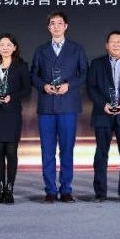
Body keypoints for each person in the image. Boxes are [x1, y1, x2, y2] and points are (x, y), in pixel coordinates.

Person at [31, 11, 88, 203]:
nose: (56, 26)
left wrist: (69, 85)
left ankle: (66, 190)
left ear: (66, 26)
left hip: (68, 106)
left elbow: (84, 74)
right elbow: (33, 75)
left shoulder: (77, 49)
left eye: (59, 23)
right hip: (46, 106)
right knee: (47, 150)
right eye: (52, 23)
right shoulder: (41, 50)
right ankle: (50, 190)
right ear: (48, 27)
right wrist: (43, 86)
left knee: (67, 149)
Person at [87, 31, 120, 203]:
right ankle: (100, 193)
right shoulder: (97, 64)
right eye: (112, 41)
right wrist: (102, 104)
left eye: (119, 42)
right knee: (101, 155)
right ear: (106, 45)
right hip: (103, 114)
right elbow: (91, 87)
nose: (116, 44)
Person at [0, 33, 31, 204]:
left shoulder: (21, 66)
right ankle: (0, 189)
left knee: (11, 152)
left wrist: (12, 97)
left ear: (14, 48)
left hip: (12, 113)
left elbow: (27, 89)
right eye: (2, 45)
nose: (5, 47)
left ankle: (10, 190)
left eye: (9, 45)